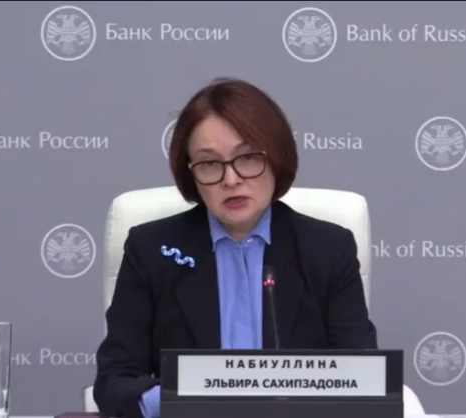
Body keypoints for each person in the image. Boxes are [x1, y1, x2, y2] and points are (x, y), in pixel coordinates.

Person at [93, 77, 377, 418]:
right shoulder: (152, 250)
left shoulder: (328, 249)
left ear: (277, 158)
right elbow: (114, 382)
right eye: (209, 163)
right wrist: (183, 401)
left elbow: (362, 379)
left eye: (247, 158)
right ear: (191, 174)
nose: (231, 179)